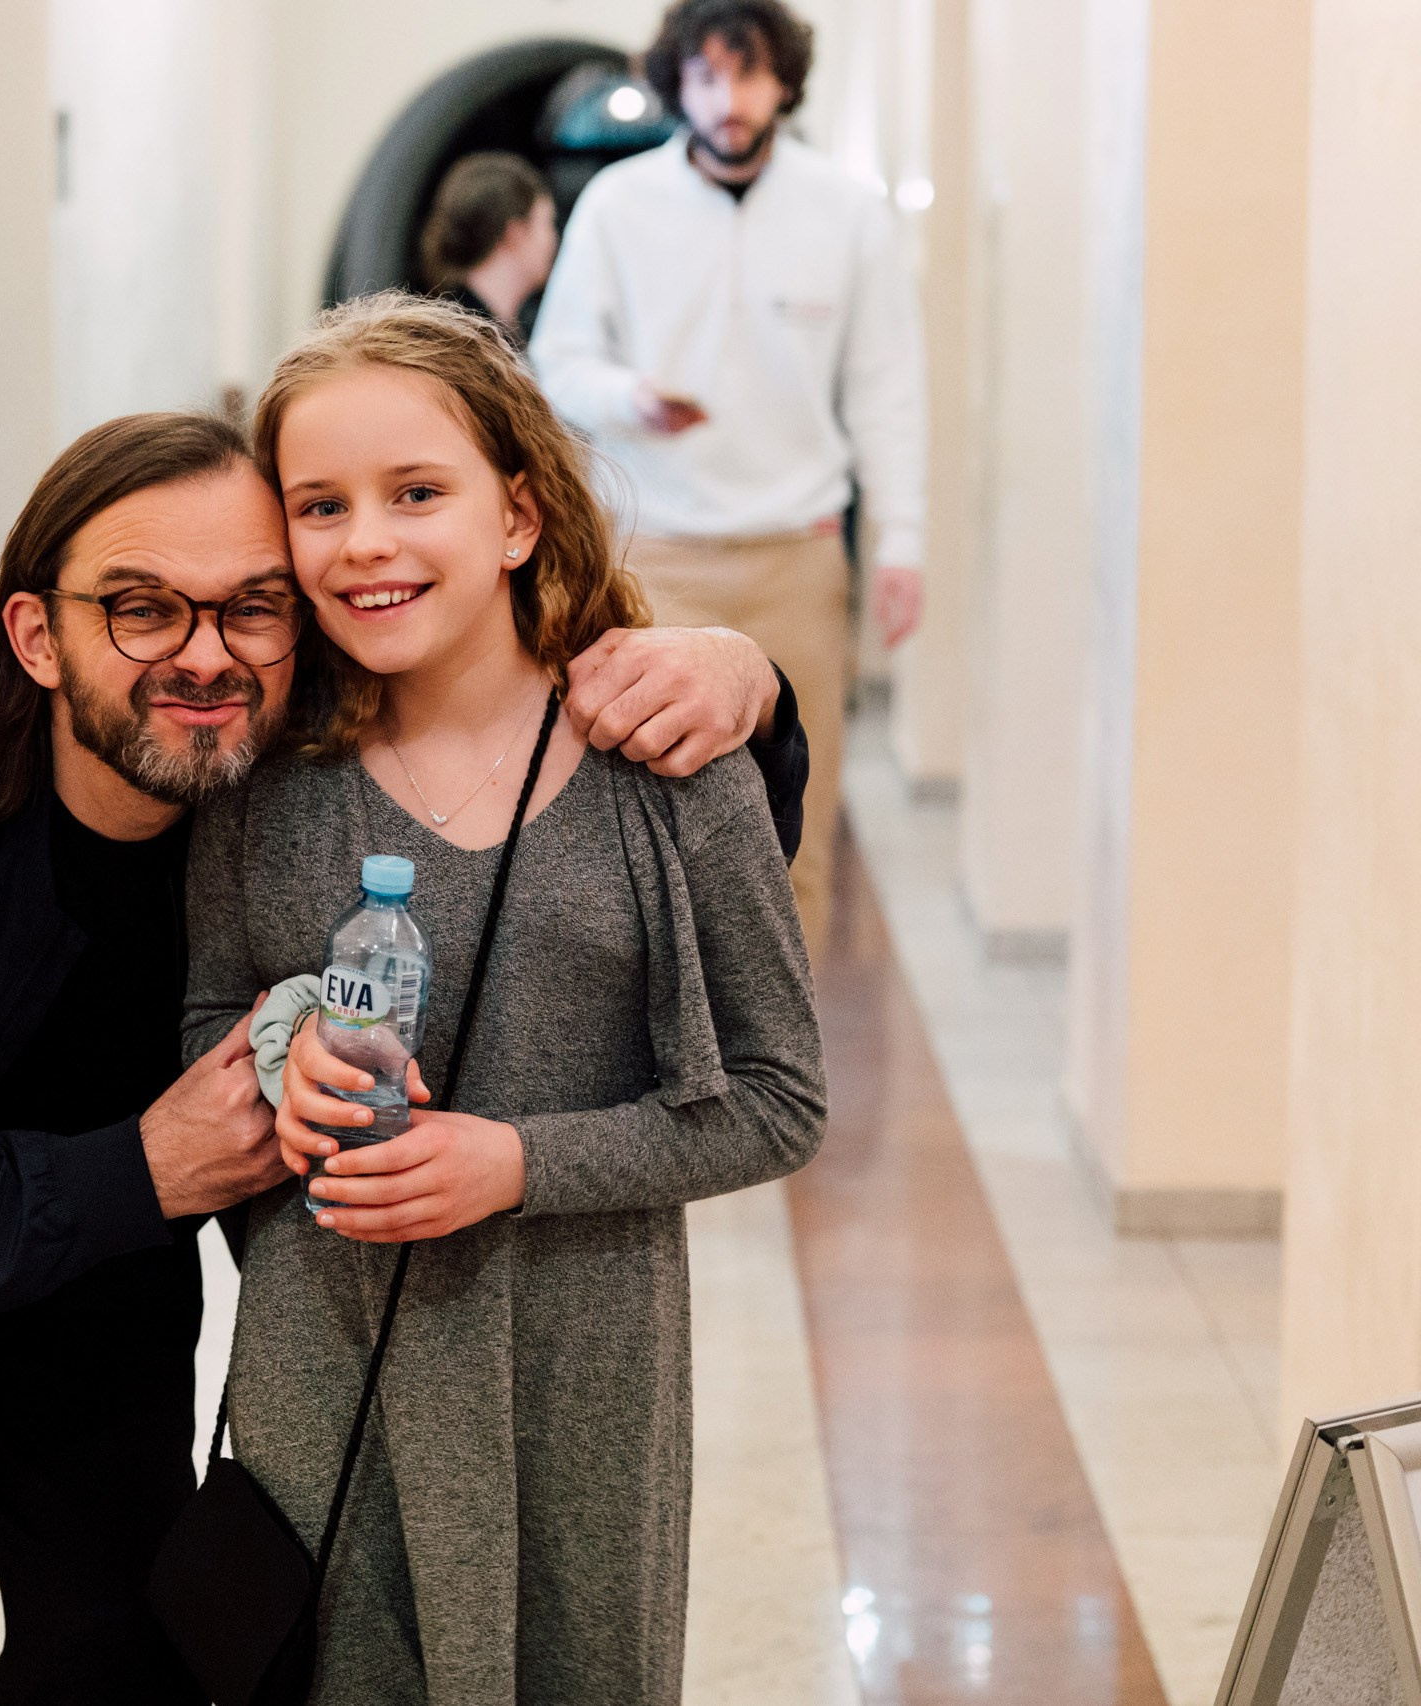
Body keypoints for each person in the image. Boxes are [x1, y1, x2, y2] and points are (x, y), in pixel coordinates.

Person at [0, 411, 808, 1705]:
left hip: (81, 1273)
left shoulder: (266, 761)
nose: (203, 656)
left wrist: (751, 682)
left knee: (131, 1666)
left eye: (251, 605)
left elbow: (594, 845)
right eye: (140, 608)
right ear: (36, 635)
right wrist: (141, 1168)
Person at [183, 294, 827, 1704]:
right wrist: (279, 1055)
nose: (366, 542)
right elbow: (203, 1023)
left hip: (582, 1376)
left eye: (418, 492)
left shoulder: (665, 760)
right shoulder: (263, 773)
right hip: (329, 1363)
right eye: (320, 503)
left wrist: (517, 1161)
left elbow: (779, 1101)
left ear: (520, 513)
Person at [528, 0, 926, 951]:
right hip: (650, 555)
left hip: (795, 555)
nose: (729, 99)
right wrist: (633, 397)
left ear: (783, 82)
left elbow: (889, 391)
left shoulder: (847, 213)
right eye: (705, 76)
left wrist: (904, 543)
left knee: (795, 832)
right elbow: (557, 364)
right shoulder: (620, 205)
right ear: (677, 87)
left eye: (747, 75)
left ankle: (783, 1087)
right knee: (640, 829)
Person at [419, 151, 558, 346]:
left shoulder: (480, 323)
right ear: (515, 233)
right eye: (547, 224)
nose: (553, 239)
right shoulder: (464, 338)